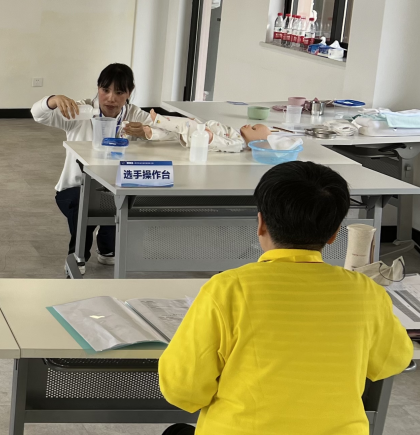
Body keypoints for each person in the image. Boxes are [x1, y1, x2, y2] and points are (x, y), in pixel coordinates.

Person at [158, 161, 413, 435]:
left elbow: (183, 390)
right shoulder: (366, 292)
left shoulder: (227, 289)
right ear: (334, 234)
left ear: (261, 224)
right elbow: (392, 361)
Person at [31, 63, 173, 265]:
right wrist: (52, 100)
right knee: (84, 207)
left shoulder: (135, 116)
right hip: (76, 188)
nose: (111, 98)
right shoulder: (80, 111)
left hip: (116, 187)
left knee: (123, 200)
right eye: (105, 90)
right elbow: (38, 114)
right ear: (98, 88)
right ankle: (78, 257)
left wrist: (150, 132)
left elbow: (172, 132)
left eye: (119, 92)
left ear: (129, 92)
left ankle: (107, 246)